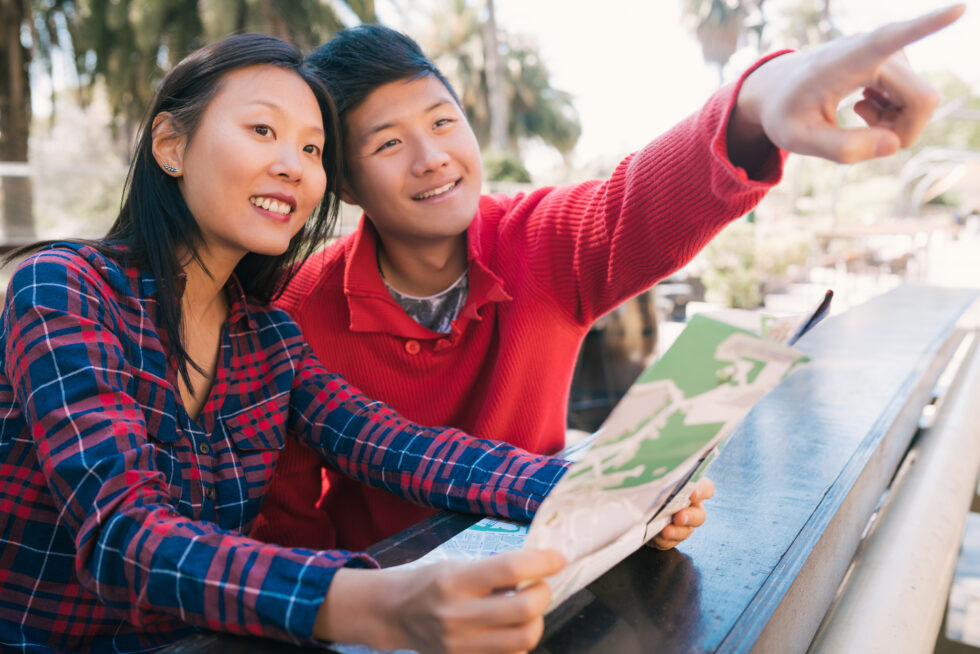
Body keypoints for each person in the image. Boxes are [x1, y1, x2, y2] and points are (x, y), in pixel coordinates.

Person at [254, 5, 966, 553]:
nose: (433, 157)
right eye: (388, 143)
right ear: (344, 181)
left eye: (444, 122)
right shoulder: (295, 312)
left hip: (545, 569)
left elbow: (640, 201)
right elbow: (286, 516)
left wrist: (764, 102)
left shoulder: (538, 243)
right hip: (385, 603)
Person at [0, 33, 572, 654]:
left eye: (312, 148)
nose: (294, 166)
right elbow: (123, 535)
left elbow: (391, 444)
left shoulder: (268, 337)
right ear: (170, 146)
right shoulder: (65, 288)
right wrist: (375, 602)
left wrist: (589, 490)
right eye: (262, 131)